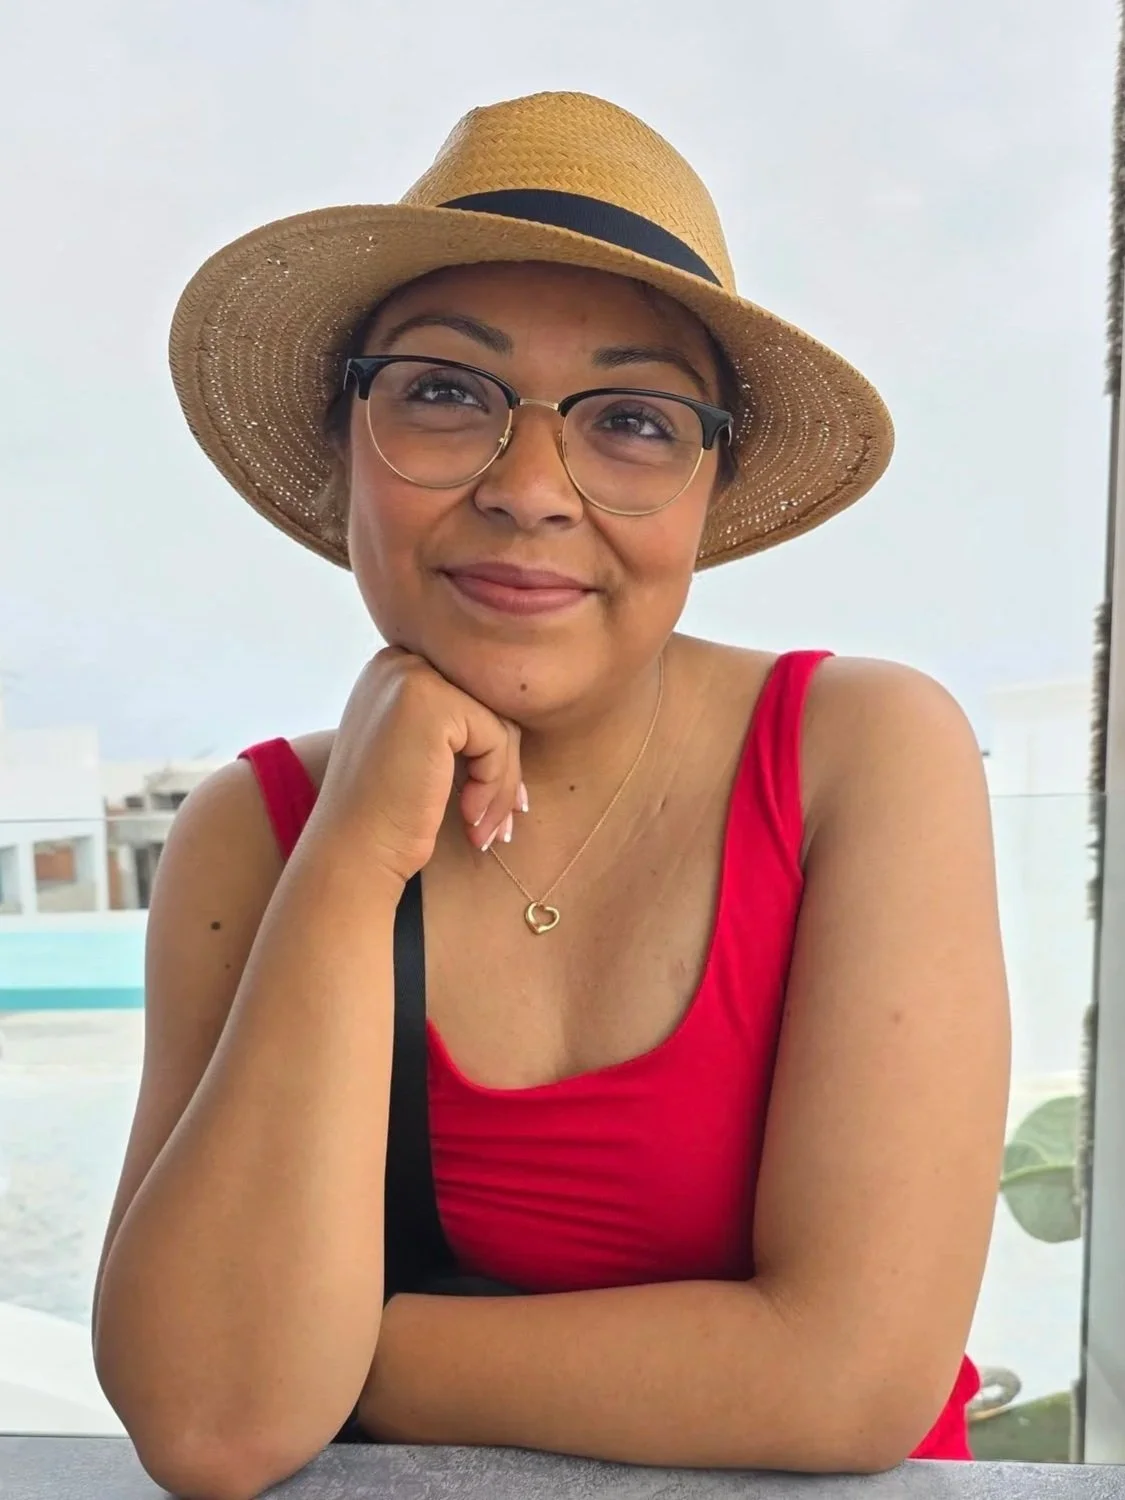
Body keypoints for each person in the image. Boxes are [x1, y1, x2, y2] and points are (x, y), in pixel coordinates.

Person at [91, 91, 1010, 1499]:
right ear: (351, 439)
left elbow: (852, 1380)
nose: (531, 489)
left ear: (709, 491)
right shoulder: (258, 833)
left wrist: (332, 1355)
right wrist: (353, 855)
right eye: (448, 392)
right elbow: (213, 1428)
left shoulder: (859, 753)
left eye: (633, 420)